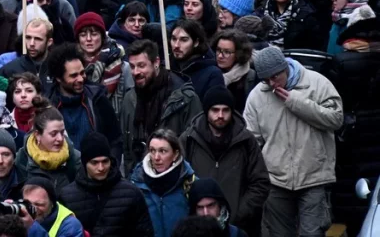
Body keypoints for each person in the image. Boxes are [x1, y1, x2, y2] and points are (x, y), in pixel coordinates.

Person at [244, 46, 343, 237]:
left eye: (275, 77)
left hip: (314, 176)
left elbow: (336, 119)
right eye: (266, 80)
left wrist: (296, 102)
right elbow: (251, 140)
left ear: (285, 68)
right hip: (275, 179)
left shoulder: (317, 83)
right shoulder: (257, 96)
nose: (272, 84)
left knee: (312, 234)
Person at [181, 86, 269, 237]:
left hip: (238, 226)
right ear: (206, 110)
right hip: (197, 227)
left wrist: (239, 213)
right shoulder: (189, 140)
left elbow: (260, 182)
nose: (220, 115)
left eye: (225, 110)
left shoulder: (246, 141)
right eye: (215, 110)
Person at [120, 39, 200, 173]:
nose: (135, 72)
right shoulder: (130, 99)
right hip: (140, 178)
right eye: (132, 66)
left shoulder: (185, 99)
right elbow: (127, 146)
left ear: (156, 62)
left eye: (141, 65)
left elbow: (194, 148)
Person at [60, 132, 154, 237]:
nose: (101, 168)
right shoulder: (67, 197)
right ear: (85, 163)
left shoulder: (131, 193)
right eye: (94, 163)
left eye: (105, 161)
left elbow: (144, 232)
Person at [45, 44, 121, 160]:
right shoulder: (48, 107)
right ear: (58, 78)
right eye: (74, 76)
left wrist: (110, 166)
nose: (81, 79)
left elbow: (115, 140)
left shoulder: (97, 99)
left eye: (82, 73)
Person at [129, 130, 196, 237]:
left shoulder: (190, 183)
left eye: (163, 151)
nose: (156, 157)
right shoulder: (136, 184)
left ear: (175, 154)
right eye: (152, 150)